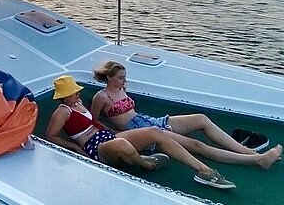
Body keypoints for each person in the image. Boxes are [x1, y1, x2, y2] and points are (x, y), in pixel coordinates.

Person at [45, 75, 239, 189]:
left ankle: (204, 171)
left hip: (107, 136)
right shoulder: (63, 111)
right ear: (64, 95)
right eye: (74, 91)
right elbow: (50, 135)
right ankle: (145, 163)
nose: (78, 93)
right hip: (94, 146)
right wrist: (75, 148)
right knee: (122, 145)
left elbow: (95, 121)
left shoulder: (77, 104)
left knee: (155, 131)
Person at [90, 61, 281, 168]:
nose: (125, 81)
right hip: (139, 129)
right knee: (198, 146)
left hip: (148, 120)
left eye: (125, 77)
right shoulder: (102, 96)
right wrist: (116, 132)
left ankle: (247, 151)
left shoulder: (121, 89)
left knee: (201, 119)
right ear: (109, 77)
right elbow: (94, 121)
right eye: (121, 78)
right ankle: (258, 160)